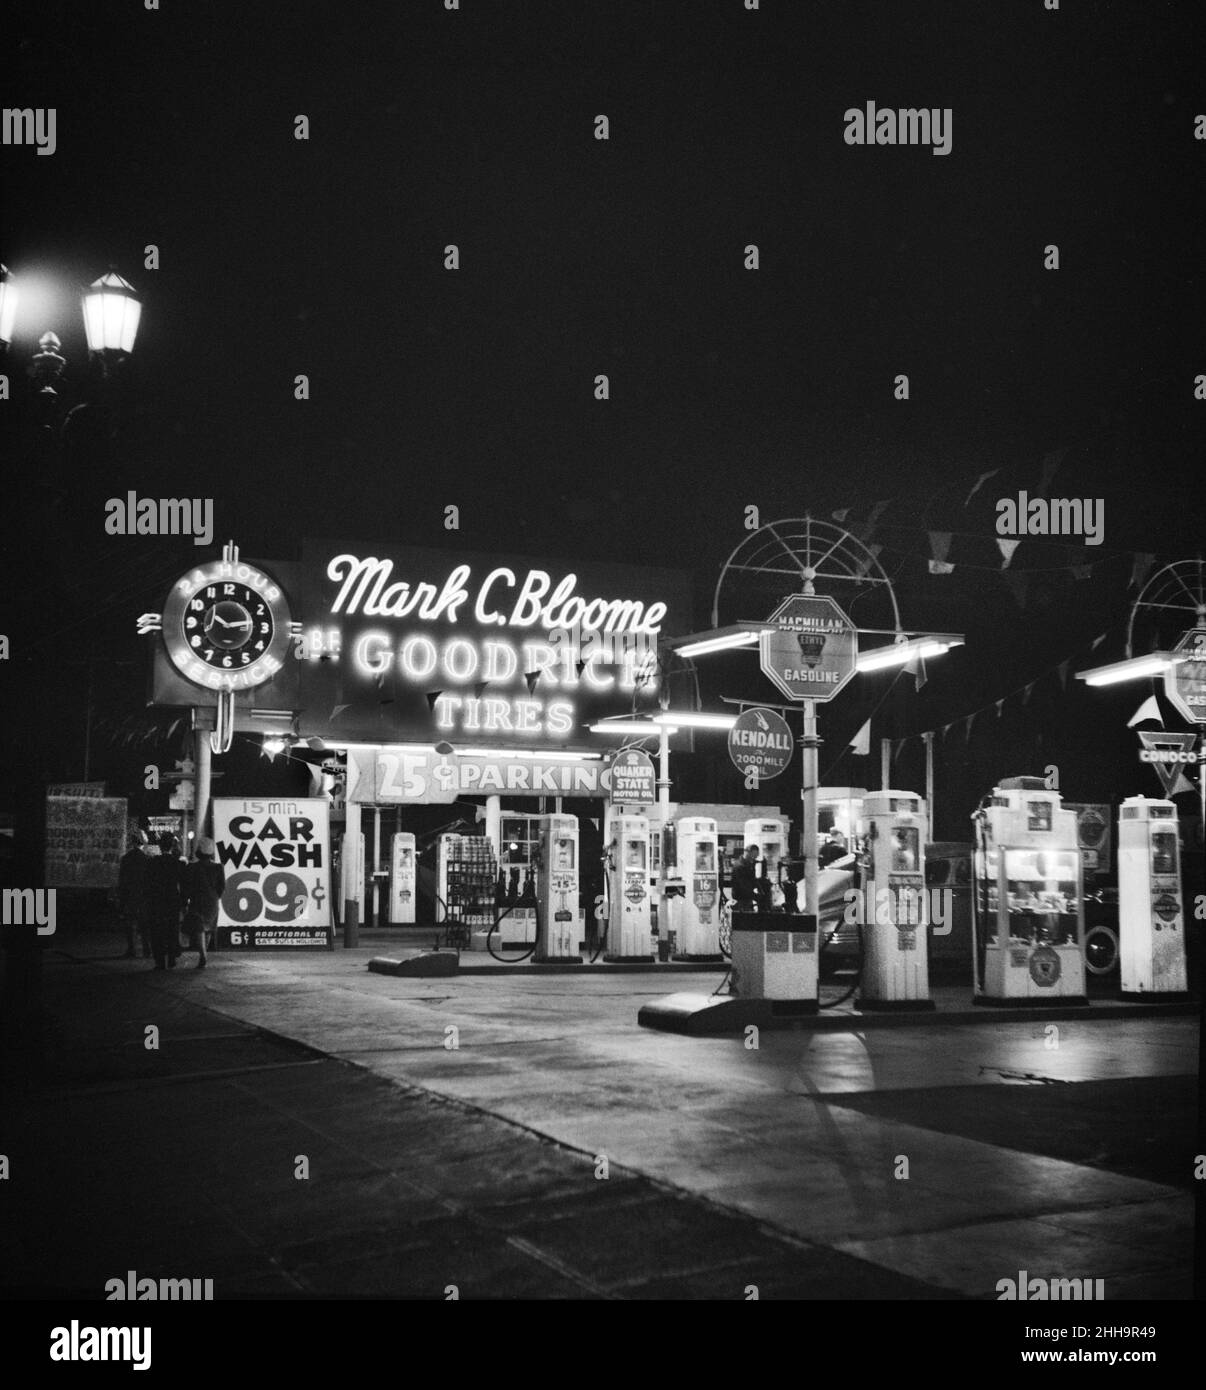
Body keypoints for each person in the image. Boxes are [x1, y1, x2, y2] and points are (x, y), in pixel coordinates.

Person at [182, 837, 225, 970]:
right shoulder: (218, 867)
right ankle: (204, 953)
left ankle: (203, 955)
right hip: (212, 901)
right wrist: (216, 896)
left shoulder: (192, 867)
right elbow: (222, 886)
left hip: (197, 900)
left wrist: (186, 899)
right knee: (209, 928)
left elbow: (187, 886)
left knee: (199, 927)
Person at [144, 833, 185, 970]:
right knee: (172, 929)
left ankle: (160, 961)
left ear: (160, 846)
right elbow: (183, 885)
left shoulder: (152, 863)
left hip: (157, 900)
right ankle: (172, 958)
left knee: (157, 931)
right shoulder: (178, 864)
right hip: (173, 900)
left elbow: (147, 883)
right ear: (172, 846)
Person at [118, 830, 150, 958]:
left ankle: (132, 949)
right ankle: (147, 949)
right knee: (144, 925)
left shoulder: (126, 858)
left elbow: (122, 880)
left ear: (132, 842)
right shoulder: (147, 859)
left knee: (130, 923)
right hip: (144, 896)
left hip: (130, 894)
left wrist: (121, 897)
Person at [729, 844, 772, 912]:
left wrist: (760, 890)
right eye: (753, 856)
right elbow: (743, 886)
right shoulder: (739, 866)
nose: (754, 858)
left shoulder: (749, 865)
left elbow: (752, 879)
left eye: (756, 856)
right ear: (747, 853)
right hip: (740, 899)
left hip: (747, 898)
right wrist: (756, 896)